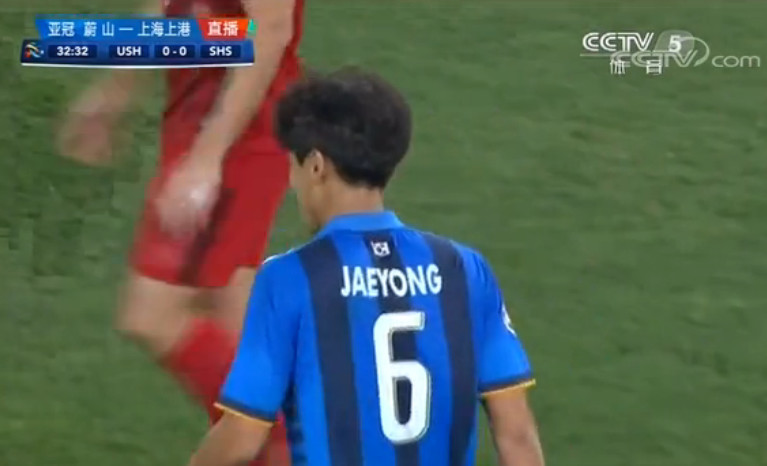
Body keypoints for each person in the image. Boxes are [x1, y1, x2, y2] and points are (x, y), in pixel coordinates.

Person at [188, 68, 545, 466]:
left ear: (316, 166)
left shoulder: (287, 279)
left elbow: (241, 437)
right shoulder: (466, 269)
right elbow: (517, 438)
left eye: (293, 166)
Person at [58, 0, 305, 464]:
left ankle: (283, 438)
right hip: (199, 120)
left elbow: (270, 32)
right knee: (229, 317)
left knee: (151, 312)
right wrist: (116, 90)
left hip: (238, 134)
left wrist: (208, 158)